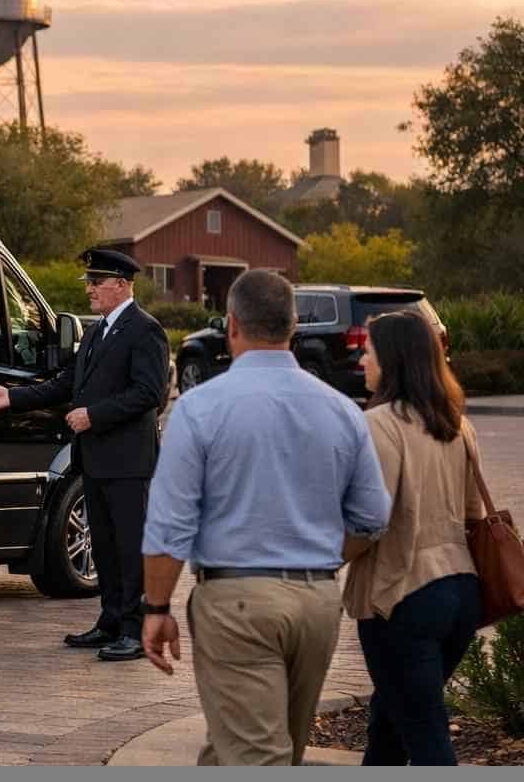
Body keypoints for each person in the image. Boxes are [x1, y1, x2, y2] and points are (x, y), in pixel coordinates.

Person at [140, 269, 392, 765]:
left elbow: (169, 527)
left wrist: (156, 607)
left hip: (237, 603)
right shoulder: (342, 411)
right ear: (293, 327)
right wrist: (312, 559)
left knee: (257, 758)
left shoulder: (199, 410)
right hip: (317, 600)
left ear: (232, 325)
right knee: (252, 751)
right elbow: (371, 516)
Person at [0, 247, 170, 661]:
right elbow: (67, 384)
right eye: (89, 283)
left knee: (129, 547)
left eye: (97, 283)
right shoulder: (98, 331)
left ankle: (134, 632)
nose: (90, 290)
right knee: (103, 544)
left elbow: (151, 393)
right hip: (94, 458)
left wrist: (93, 416)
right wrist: (13, 397)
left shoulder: (144, 329)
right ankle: (111, 621)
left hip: (128, 462)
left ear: (121, 284)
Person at [343, 311, 484, 766]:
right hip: (461, 592)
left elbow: (369, 520)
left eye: (368, 351)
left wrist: (321, 560)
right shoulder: (456, 423)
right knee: (390, 722)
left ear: (393, 359)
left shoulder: (379, 423)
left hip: (401, 595)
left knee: (425, 735)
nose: (362, 361)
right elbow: (472, 514)